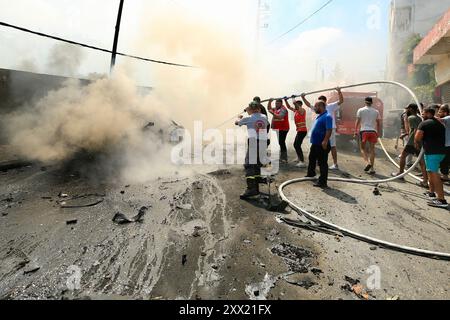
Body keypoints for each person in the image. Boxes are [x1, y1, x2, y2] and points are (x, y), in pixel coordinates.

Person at [302, 87, 344, 170]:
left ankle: (335, 164)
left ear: (324, 102)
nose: (317, 105)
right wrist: (303, 98)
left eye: (320, 103)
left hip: (330, 129)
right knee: (318, 145)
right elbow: (309, 105)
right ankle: (319, 161)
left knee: (332, 146)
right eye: (317, 103)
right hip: (321, 130)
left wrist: (339, 91)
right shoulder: (318, 108)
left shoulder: (330, 106)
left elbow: (341, 101)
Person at [415, 106, 448, 209]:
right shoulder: (440, 124)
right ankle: (431, 193)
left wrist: (418, 143)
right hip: (440, 152)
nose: (422, 115)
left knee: (434, 174)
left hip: (432, 153)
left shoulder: (424, 123)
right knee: (430, 172)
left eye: (423, 113)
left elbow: (417, 137)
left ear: (429, 113)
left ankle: (441, 200)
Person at [236, 102, 269, 200]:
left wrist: (239, 116)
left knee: (249, 165)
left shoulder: (248, 119)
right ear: (259, 108)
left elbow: (237, 122)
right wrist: (250, 110)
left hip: (254, 142)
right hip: (263, 142)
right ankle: (258, 179)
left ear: (251, 109)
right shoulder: (264, 117)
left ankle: (252, 189)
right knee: (257, 163)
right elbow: (257, 114)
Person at [391, 103, 428, 187]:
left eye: (408, 109)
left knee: (403, 156)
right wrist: (405, 134)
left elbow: (415, 130)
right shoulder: (419, 117)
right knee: (422, 162)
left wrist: (415, 142)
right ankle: (425, 181)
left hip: (413, 142)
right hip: (419, 142)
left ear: (411, 109)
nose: (406, 110)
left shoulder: (411, 118)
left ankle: (400, 174)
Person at [305, 101, 333, 188]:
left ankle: (322, 182)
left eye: (316, 106)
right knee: (312, 158)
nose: (315, 108)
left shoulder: (328, 116)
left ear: (320, 106)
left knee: (322, 163)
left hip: (322, 144)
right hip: (315, 143)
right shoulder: (320, 116)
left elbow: (329, 130)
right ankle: (311, 173)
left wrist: (325, 141)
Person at [354, 97, 381, 175]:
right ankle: (372, 169)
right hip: (373, 131)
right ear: (371, 103)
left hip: (364, 131)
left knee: (362, 148)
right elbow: (378, 123)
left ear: (365, 102)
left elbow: (358, 121)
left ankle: (368, 162)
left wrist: (355, 131)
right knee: (372, 150)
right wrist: (378, 132)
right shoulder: (376, 111)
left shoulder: (361, 110)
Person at [285, 96, 308, 168]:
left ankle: (302, 161)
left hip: (303, 131)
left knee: (297, 145)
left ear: (299, 105)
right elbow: (289, 107)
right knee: (296, 144)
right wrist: (285, 100)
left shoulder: (302, 110)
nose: (294, 106)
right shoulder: (296, 111)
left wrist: (293, 98)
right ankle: (299, 158)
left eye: (296, 105)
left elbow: (295, 103)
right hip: (299, 130)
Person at [268, 98, 290, 163]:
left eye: (278, 103)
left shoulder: (283, 109)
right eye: (275, 103)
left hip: (284, 128)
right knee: (281, 142)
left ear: (281, 103)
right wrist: (269, 102)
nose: (276, 104)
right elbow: (269, 109)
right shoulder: (276, 108)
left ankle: (284, 158)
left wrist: (273, 113)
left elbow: (280, 117)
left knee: (282, 142)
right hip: (279, 128)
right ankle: (282, 157)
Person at [437, 104, 450, 182]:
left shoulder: (448, 118)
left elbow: (438, 120)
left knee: (445, 160)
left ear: (445, 113)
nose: (438, 113)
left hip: (447, 144)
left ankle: (445, 176)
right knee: (445, 160)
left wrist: (428, 115)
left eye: (440, 111)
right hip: (446, 143)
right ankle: (444, 175)